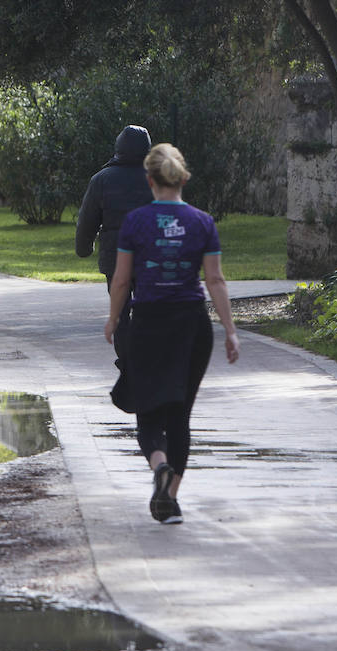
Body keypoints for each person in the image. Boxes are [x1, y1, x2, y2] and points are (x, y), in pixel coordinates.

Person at [104, 143, 240, 525]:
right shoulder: (202, 222)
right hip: (192, 326)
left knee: (149, 410)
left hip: (148, 322)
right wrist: (230, 331)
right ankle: (170, 498)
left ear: (150, 180)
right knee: (180, 414)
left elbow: (121, 279)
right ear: (183, 178)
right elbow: (214, 280)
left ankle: (159, 466)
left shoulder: (135, 222)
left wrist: (114, 320)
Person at [78, 125, 155, 403]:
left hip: (116, 258)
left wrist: (83, 247)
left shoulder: (102, 180)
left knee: (121, 314)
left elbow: (87, 219)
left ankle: (128, 362)